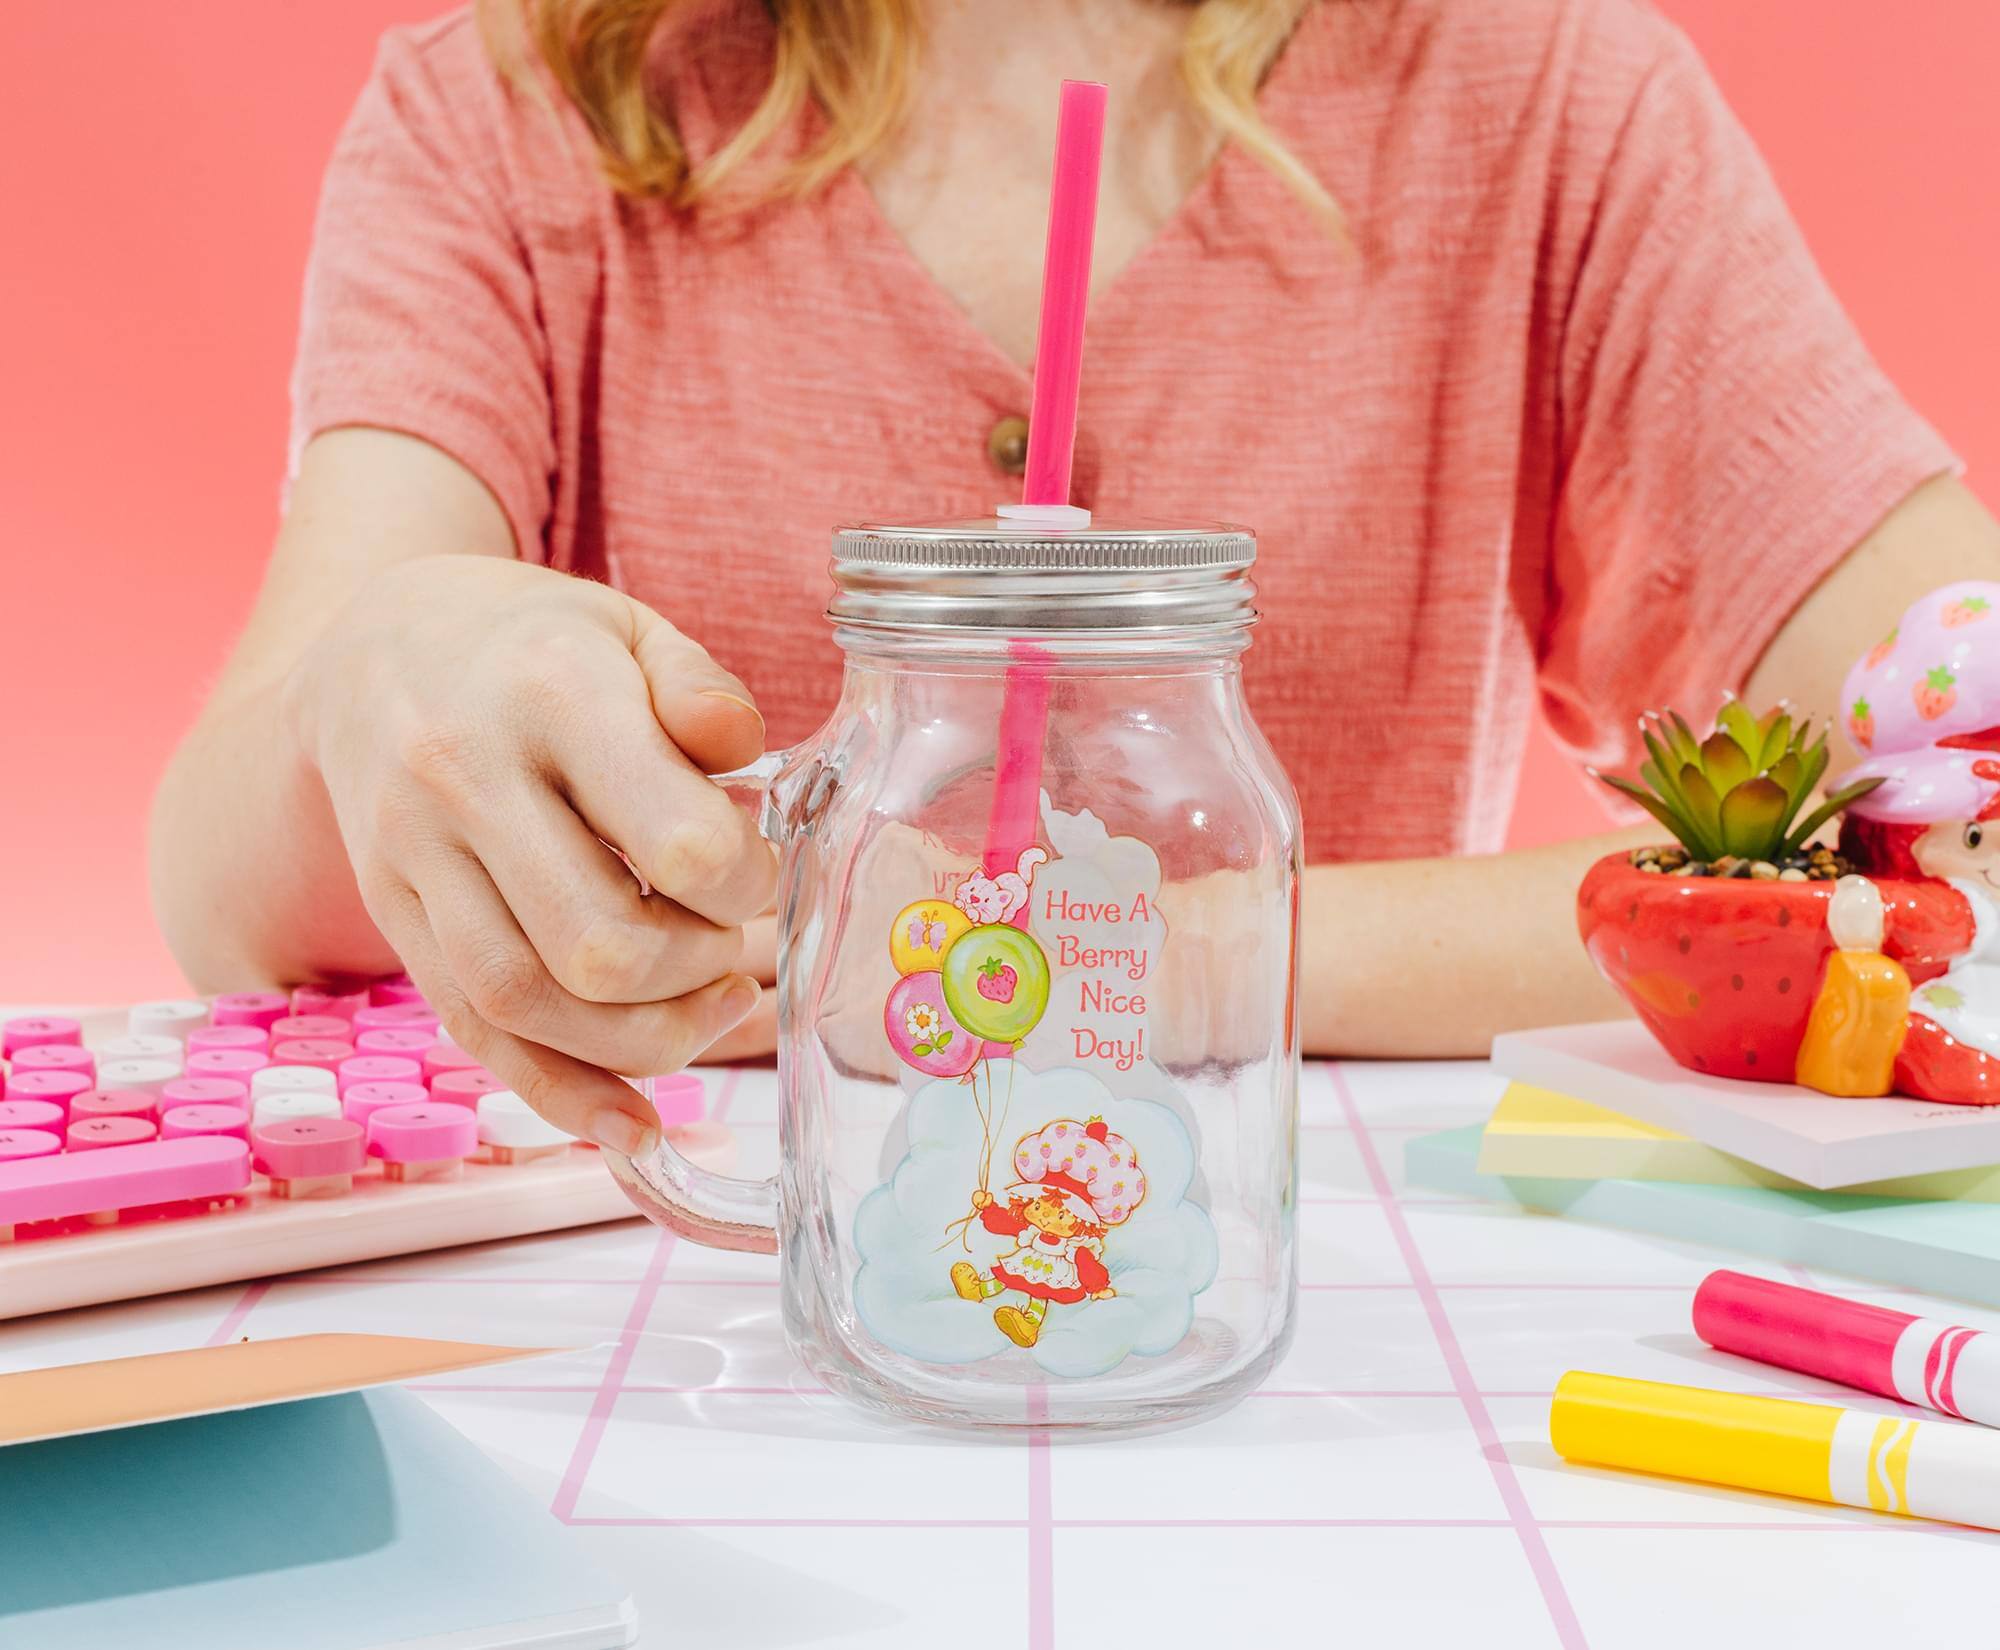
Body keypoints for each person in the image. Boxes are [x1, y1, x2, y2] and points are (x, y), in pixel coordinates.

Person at [149, 0, 2000, 1156]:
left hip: (1326, 1341)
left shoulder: (1547, 95)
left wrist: (1140, 955)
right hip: (704, 1323)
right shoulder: (516, 106)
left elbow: (1972, 822)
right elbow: (233, 902)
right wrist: (380, 671)